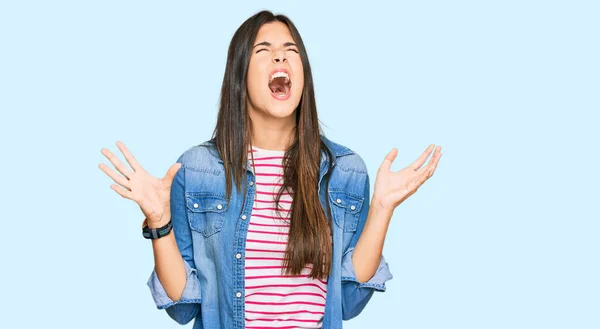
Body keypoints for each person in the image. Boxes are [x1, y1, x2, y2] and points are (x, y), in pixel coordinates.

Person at [99, 10, 441, 329]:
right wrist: (160, 222)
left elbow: (349, 302)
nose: (280, 56)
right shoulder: (197, 170)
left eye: (290, 50)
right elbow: (182, 307)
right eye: (264, 50)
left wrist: (381, 210)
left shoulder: (346, 172)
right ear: (240, 75)